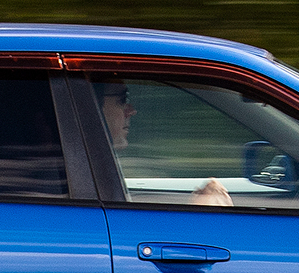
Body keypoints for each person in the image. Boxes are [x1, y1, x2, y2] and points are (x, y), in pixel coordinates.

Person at [96, 80, 231, 206]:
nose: (131, 111)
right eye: (122, 100)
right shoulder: (86, 180)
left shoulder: (94, 173)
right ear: (93, 106)